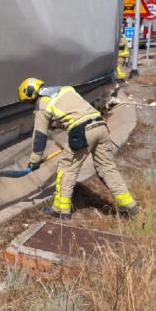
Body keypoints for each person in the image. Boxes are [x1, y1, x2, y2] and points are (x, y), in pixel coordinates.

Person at [18, 77, 138, 220]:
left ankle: (61, 210)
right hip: (100, 125)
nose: (30, 104)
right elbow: (74, 111)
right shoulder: (65, 89)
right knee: (107, 168)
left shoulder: (42, 105)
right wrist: (56, 124)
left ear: (31, 95)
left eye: (28, 101)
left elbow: (39, 136)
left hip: (82, 131)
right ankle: (128, 205)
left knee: (66, 169)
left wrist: (35, 160)